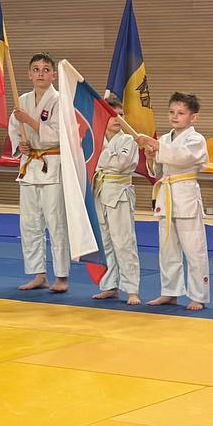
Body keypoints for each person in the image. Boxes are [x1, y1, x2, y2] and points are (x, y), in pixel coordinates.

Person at [138, 93, 210, 310]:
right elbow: (157, 171)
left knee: (194, 250)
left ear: (193, 117)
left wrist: (156, 146)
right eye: (171, 112)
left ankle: (198, 295)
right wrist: (151, 157)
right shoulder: (164, 139)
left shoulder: (196, 139)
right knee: (167, 249)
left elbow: (183, 157)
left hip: (186, 194)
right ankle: (170, 292)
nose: (175, 116)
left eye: (181, 113)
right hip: (166, 194)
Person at [9, 53, 69, 293]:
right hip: (29, 166)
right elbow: (14, 130)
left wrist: (30, 121)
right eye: (36, 69)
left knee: (56, 223)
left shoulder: (60, 100)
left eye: (45, 69)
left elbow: (59, 135)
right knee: (30, 223)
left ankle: (62, 276)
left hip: (52, 166)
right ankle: (38, 274)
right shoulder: (22, 100)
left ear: (53, 75)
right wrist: (20, 145)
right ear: (29, 74)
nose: (40, 73)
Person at [90, 97, 141, 305]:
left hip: (120, 193)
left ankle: (131, 289)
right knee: (105, 241)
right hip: (99, 191)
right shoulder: (95, 138)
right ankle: (109, 286)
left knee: (124, 241)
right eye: (112, 115)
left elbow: (120, 164)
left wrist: (103, 158)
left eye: (121, 115)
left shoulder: (128, 139)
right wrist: (107, 157)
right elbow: (91, 162)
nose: (118, 119)